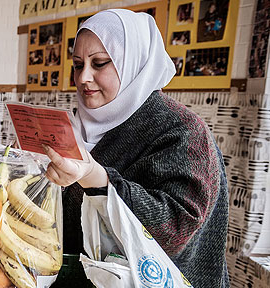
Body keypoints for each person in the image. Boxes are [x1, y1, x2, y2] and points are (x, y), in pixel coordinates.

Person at [42, 9, 229, 288]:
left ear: (134, 63)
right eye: (79, 65)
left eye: (100, 63)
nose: (83, 78)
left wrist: (98, 179)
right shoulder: (78, 126)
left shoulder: (182, 131)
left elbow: (173, 229)